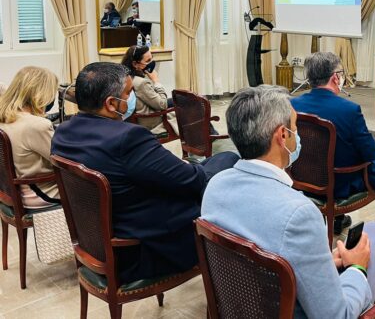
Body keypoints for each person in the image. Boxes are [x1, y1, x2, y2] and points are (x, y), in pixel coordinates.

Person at [202, 85, 375, 319]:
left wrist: (320, 266)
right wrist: (357, 267)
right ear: (283, 136)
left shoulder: (215, 187)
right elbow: (337, 316)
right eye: (295, 127)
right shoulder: (299, 213)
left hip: (252, 305)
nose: (298, 135)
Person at [51, 62, 239, 283]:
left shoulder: (63, 133)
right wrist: (193, 168)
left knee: (213, 164)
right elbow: (191, 181)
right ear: (111, 103)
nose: (132, 99)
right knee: (228, 162)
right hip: (142, 251)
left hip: (99, 242)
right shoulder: (128, 138)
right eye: (129, 93)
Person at [291, 52, 375, 238]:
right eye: (341, 73)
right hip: (339, 185)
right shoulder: (349, 110)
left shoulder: (293, 105)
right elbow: (370, 152)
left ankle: (337, 219)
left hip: (303, 180)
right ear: (335, 77)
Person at [0, 67, 60, 208]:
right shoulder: (37, 125)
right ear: (42, 94)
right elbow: (62, 161)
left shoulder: (6, 115)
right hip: (40, 194)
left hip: (11, 192)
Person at [121, 45, 177, 135]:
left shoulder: (125, 77)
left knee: (179, 99)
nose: (151, 63)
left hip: (140, 116)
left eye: (151, 59)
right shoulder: (141, 83)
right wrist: (156, 81)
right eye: (148, 61)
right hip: (152, 122)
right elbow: (162, 105)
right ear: (135, 64)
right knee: (188, 105)